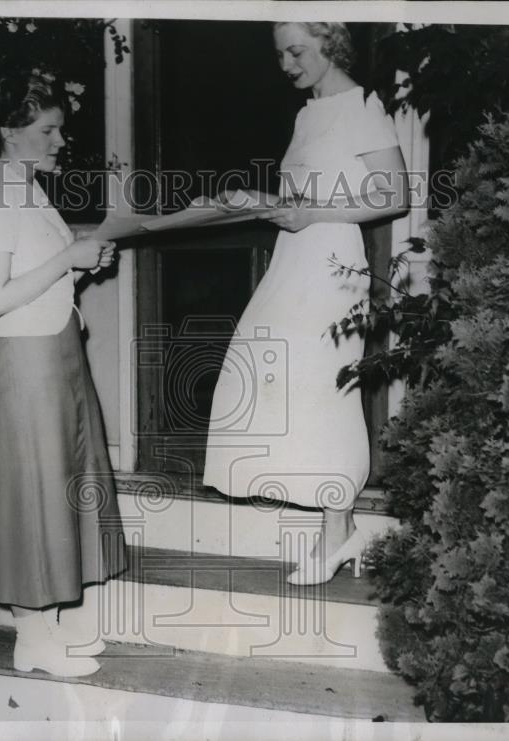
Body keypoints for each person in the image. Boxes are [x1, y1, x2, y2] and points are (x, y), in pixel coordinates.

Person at [203, 22, 410, 585]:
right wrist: (258, 201)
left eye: (296, 51)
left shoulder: (361, 105)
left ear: (330, 43)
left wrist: (310, 214)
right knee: (273, 375)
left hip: (332, 265)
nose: (287, 65)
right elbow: (305, 200)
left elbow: (394, 194)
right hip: (295, 256)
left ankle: (337, 532)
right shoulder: (307, 113)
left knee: (323, 388)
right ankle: (336, 528)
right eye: (280, 55)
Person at [0, 68, 126, 677]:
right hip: (23, 359)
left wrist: (81, 266)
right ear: (9, 131)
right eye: (48, 130)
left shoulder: (27, 189)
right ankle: (30, 637)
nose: (61, 141)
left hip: (57, 348)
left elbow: (42, 277)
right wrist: (68, 257)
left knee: (68, 481)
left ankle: (56, 623)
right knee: (33, 491)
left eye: (61, 129)